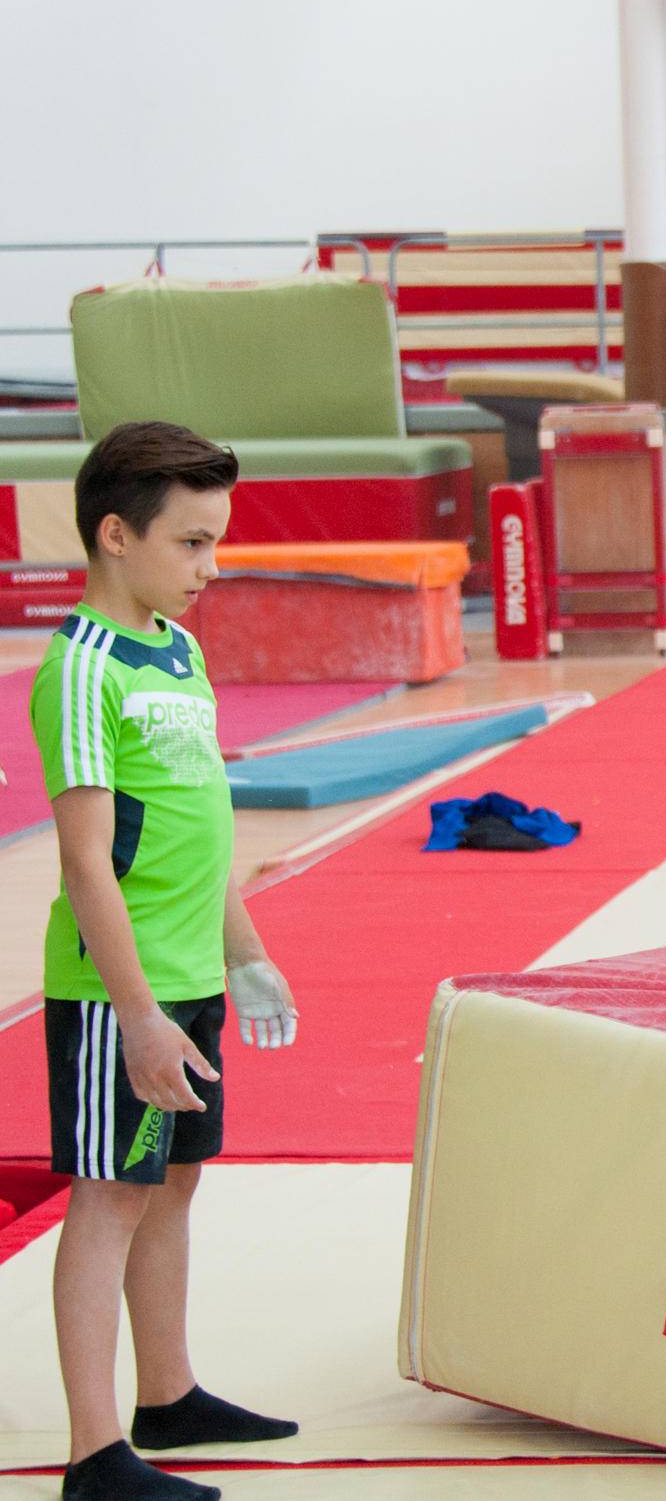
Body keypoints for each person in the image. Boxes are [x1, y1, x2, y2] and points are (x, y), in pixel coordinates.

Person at [33, 422, 303, 1501]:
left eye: (215, 542)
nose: (210, 567)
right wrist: (138, 1014)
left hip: (191, 974)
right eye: (191, 543)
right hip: (120, 994)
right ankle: (97, 1452)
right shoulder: (81, 668)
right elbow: (89, 864)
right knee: (110, 1194)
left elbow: (204, 821)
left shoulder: (179, 651)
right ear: (114, 534)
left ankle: (169, 1393)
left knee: (175, 1179)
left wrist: (246, 954)